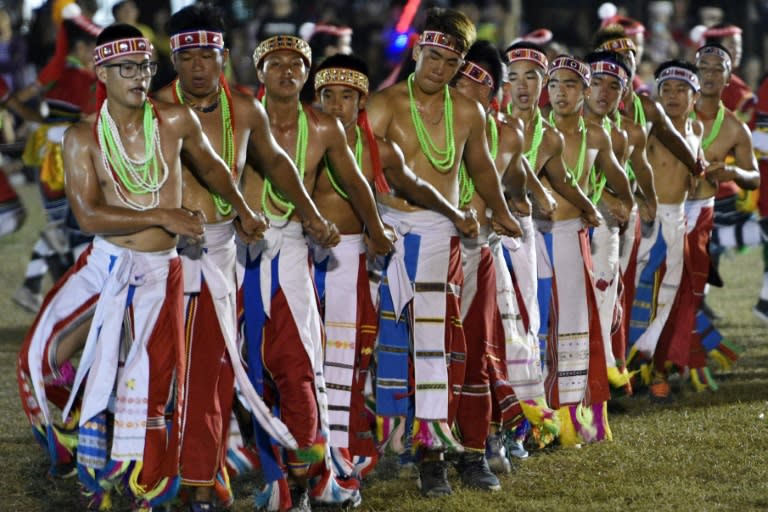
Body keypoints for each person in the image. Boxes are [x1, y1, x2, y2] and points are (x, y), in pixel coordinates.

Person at [17, 23, 269, 511]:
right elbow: (88, 214)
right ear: (102, 72)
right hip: (104, 263)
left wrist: (241, 205)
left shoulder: (175, 121)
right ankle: (74, 431)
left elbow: (215, 166)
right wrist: (162, 213)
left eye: (146, 67)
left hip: (159, 270)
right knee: (38, 357)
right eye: (127, 68)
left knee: (148, 387)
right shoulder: (80, 136)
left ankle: (136, 491)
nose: (139, 76)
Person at [153, 6, 336, 511]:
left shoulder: (245, 112)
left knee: (211, 371)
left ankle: (201, 482)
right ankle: (152, 479)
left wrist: (312, 214)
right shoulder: (152, 111)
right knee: (159, 370)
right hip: (160, 255)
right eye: (186, 57)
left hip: (220, 254)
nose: (197, 68)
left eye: (206, 56)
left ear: (223, 57)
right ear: (174, 57)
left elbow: (277, 163)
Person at [365, 7, 521, 497]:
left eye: (450, 62)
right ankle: (369, 453)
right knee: (383, 350)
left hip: (443, 238)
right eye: (433, 56)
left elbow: (480, 168)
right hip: (388, 234)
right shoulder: (384, 104)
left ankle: (441, 457)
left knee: (444, 350)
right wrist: (370, 227)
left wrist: (501, 209)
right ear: (417, 51)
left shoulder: (468, 111)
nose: (439, 68)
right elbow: (354, 169)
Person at [312, 50, 478, 492]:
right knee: (316, 361)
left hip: (378, 254)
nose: (336, 105)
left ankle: (425, 452)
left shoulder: (378, 149)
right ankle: (313, 458)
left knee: (416, 346)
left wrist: (456, 213)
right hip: (312, 262)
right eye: (327, 95)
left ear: (361, 103)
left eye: (347, 97)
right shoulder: (298, 142)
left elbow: (414, 184)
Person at [243, 34, 392, 511]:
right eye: (276, 63)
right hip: (230, 255)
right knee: (237, 368)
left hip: (287, 253)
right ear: (259, 70)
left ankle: (306, 476)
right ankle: (247, 473)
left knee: (297, 366)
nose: (287, 71)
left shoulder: (323, 127)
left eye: (296, 64)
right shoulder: (240, 119)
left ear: (307, 74)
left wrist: (376, 229)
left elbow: (355, 181)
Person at [544, 54, 633, 445]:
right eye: (554, 85)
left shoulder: (595, 136)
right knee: (534, 327)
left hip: (569, 236)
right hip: (528, 236)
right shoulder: (532, 129)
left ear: (584, 91)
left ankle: (573, 418)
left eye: (570, 85)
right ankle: (535, 418)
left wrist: (616, 203)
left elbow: (623, 184)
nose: (560, 93)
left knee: (574, 329)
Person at [668, 44, 757, 390]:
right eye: (702, 68)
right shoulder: (672, 113)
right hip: (663, 211)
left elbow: (755, 177)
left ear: (728, 75)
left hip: (701, 216)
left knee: (692, 292)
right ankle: (665, 362)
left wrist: (731, 173)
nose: (708, 75)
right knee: (662, 290)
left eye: (716, 68)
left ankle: (681, 363)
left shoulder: (735, 128)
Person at [9, 8, 101, 313]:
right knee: (70, 226)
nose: (97, 54)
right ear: (81, 48)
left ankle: (34, 288)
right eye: (94, 48)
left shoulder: (63, 72)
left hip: (56, 155)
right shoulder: (75, 74)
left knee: (62, 226)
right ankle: (80, 296)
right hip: (60, 160)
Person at [627, 60, 705, 400]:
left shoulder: (697, 131)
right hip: (647, 220)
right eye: (667, 88)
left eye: (681, 89)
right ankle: (625, 369)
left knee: (668, 300)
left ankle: (652, 368)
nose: (673, 96)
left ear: (694, 96)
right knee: (636, 294)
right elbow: (628, 166)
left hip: (679, 221)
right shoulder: (649, 126)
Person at [582, 50, 650, 389]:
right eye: (596, 83)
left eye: (613, 86)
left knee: (606, 299)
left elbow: (640, 178)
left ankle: (600, 378)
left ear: (624, 95)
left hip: (610, 229)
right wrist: (610, 198)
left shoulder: (625, 134)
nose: (603, 93)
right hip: (557, 228)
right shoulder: (551, 123)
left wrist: (637, 203)